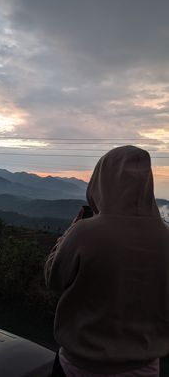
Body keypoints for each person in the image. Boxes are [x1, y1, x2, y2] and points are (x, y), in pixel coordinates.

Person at [44, 145, 169, 377]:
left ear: (102, 181)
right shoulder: (166, 237)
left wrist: (71, 230)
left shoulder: (84, 233)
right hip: (145, 368)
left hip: (79, 368)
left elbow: (53, 278)